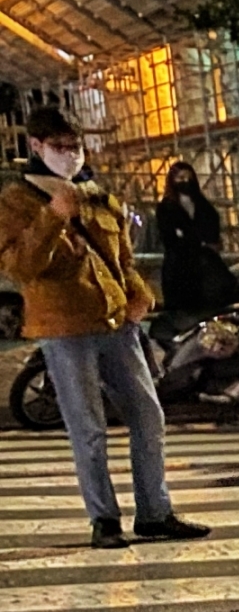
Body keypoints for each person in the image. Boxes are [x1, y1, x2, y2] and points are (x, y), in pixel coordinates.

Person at [0, 109, 209, 548]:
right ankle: (104, 520)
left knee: (148, 415)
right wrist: (53, 216)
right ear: (36, 147)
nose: (71, 156)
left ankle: (155, 512)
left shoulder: (96, 193)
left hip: (117, 321)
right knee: (88, 427)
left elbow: (121, 257)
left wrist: (139, 295)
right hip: (63, 326)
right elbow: (19, 265)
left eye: (75, 146)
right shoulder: (17, 201)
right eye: (60, 147)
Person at [156, 160, 237, 313]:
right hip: (179, 273)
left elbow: (211, 231)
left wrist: (189, 237)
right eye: (180, 177)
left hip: (204, 271)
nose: (186, 181)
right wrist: (196, 241)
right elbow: (170, 239)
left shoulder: (203, 205)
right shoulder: (166, 207)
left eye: (188, 177)